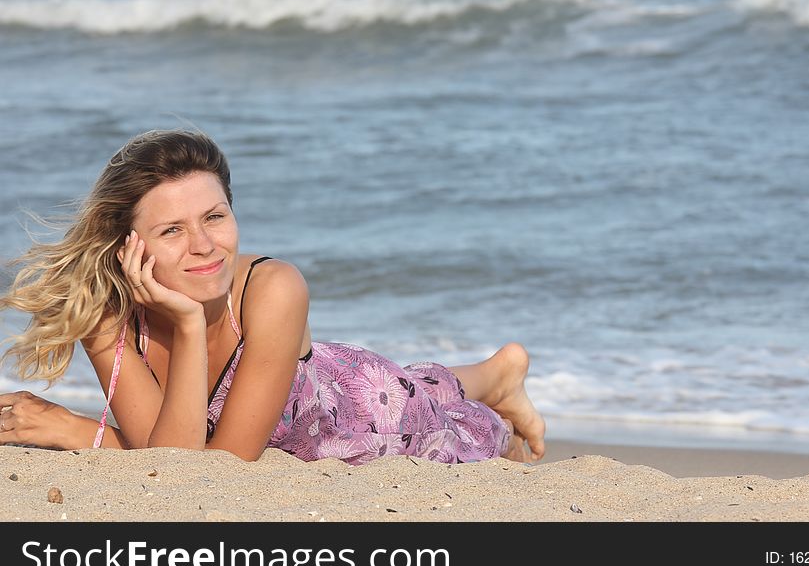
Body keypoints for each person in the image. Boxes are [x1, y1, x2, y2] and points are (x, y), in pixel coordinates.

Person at [0, 130, 545, 464]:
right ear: (129, 247)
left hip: (365, 411)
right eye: (172, 231)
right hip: (308, 381)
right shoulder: (108, 316)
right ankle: (494, 374)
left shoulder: (275, 288)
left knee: (448, 414)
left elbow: (220, 464)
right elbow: (169, 456)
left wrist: (76, 430)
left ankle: (496, 377)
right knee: (424, 381)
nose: (205, 246)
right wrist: (189, 325)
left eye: (215, 216)